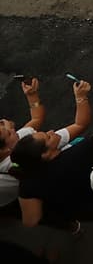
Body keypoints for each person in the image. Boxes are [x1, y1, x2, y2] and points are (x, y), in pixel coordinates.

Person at [10, 77, 93, 229]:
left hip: (84, 214)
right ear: (46, 154)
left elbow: (30, 221)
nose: (50, 131)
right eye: (48, 136)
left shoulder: (28, 183)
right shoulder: (78, 154)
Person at [0, 78, 43, 210]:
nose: (12, 129)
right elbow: (37, 119)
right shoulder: (23, 145)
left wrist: (32, 95)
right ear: (6, 149)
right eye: (7, 131)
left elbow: (36, 119)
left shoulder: (11, 146)